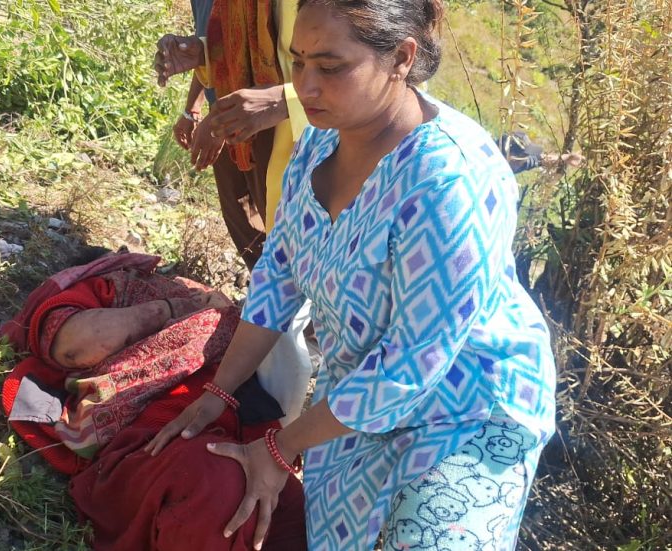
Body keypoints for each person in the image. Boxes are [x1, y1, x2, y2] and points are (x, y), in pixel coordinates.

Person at [146, 1, 556, 550]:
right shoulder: (322, 140)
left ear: (401, 59)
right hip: (355, 393)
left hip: (467, 411)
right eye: (298, 62)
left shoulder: (446, 182)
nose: (306, 86)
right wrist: (221, 389)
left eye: (331, 66)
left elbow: (412, 363)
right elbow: (279, 275)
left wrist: (278, 448)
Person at [0, 251, 307, 551]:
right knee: (220, 487)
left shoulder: (200, 294)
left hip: (244, 438)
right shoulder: (112, 287)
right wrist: (170, 308)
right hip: (155, 443)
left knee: (302, 522)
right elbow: (75, 346)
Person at [156, 1, 314, 427]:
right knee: (276, 275)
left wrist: (282, 101)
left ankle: (282, 429)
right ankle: (272, 417)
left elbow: (365, 78)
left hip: (314, 147)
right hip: (274, 138)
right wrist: (203, 57)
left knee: (297, 285)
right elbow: (239, 45)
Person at [497, 131, 584, 174]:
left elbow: (542, 159)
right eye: (525, 155)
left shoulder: (520, 162)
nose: (526, 159)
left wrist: (566, 158)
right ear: (512, 156)